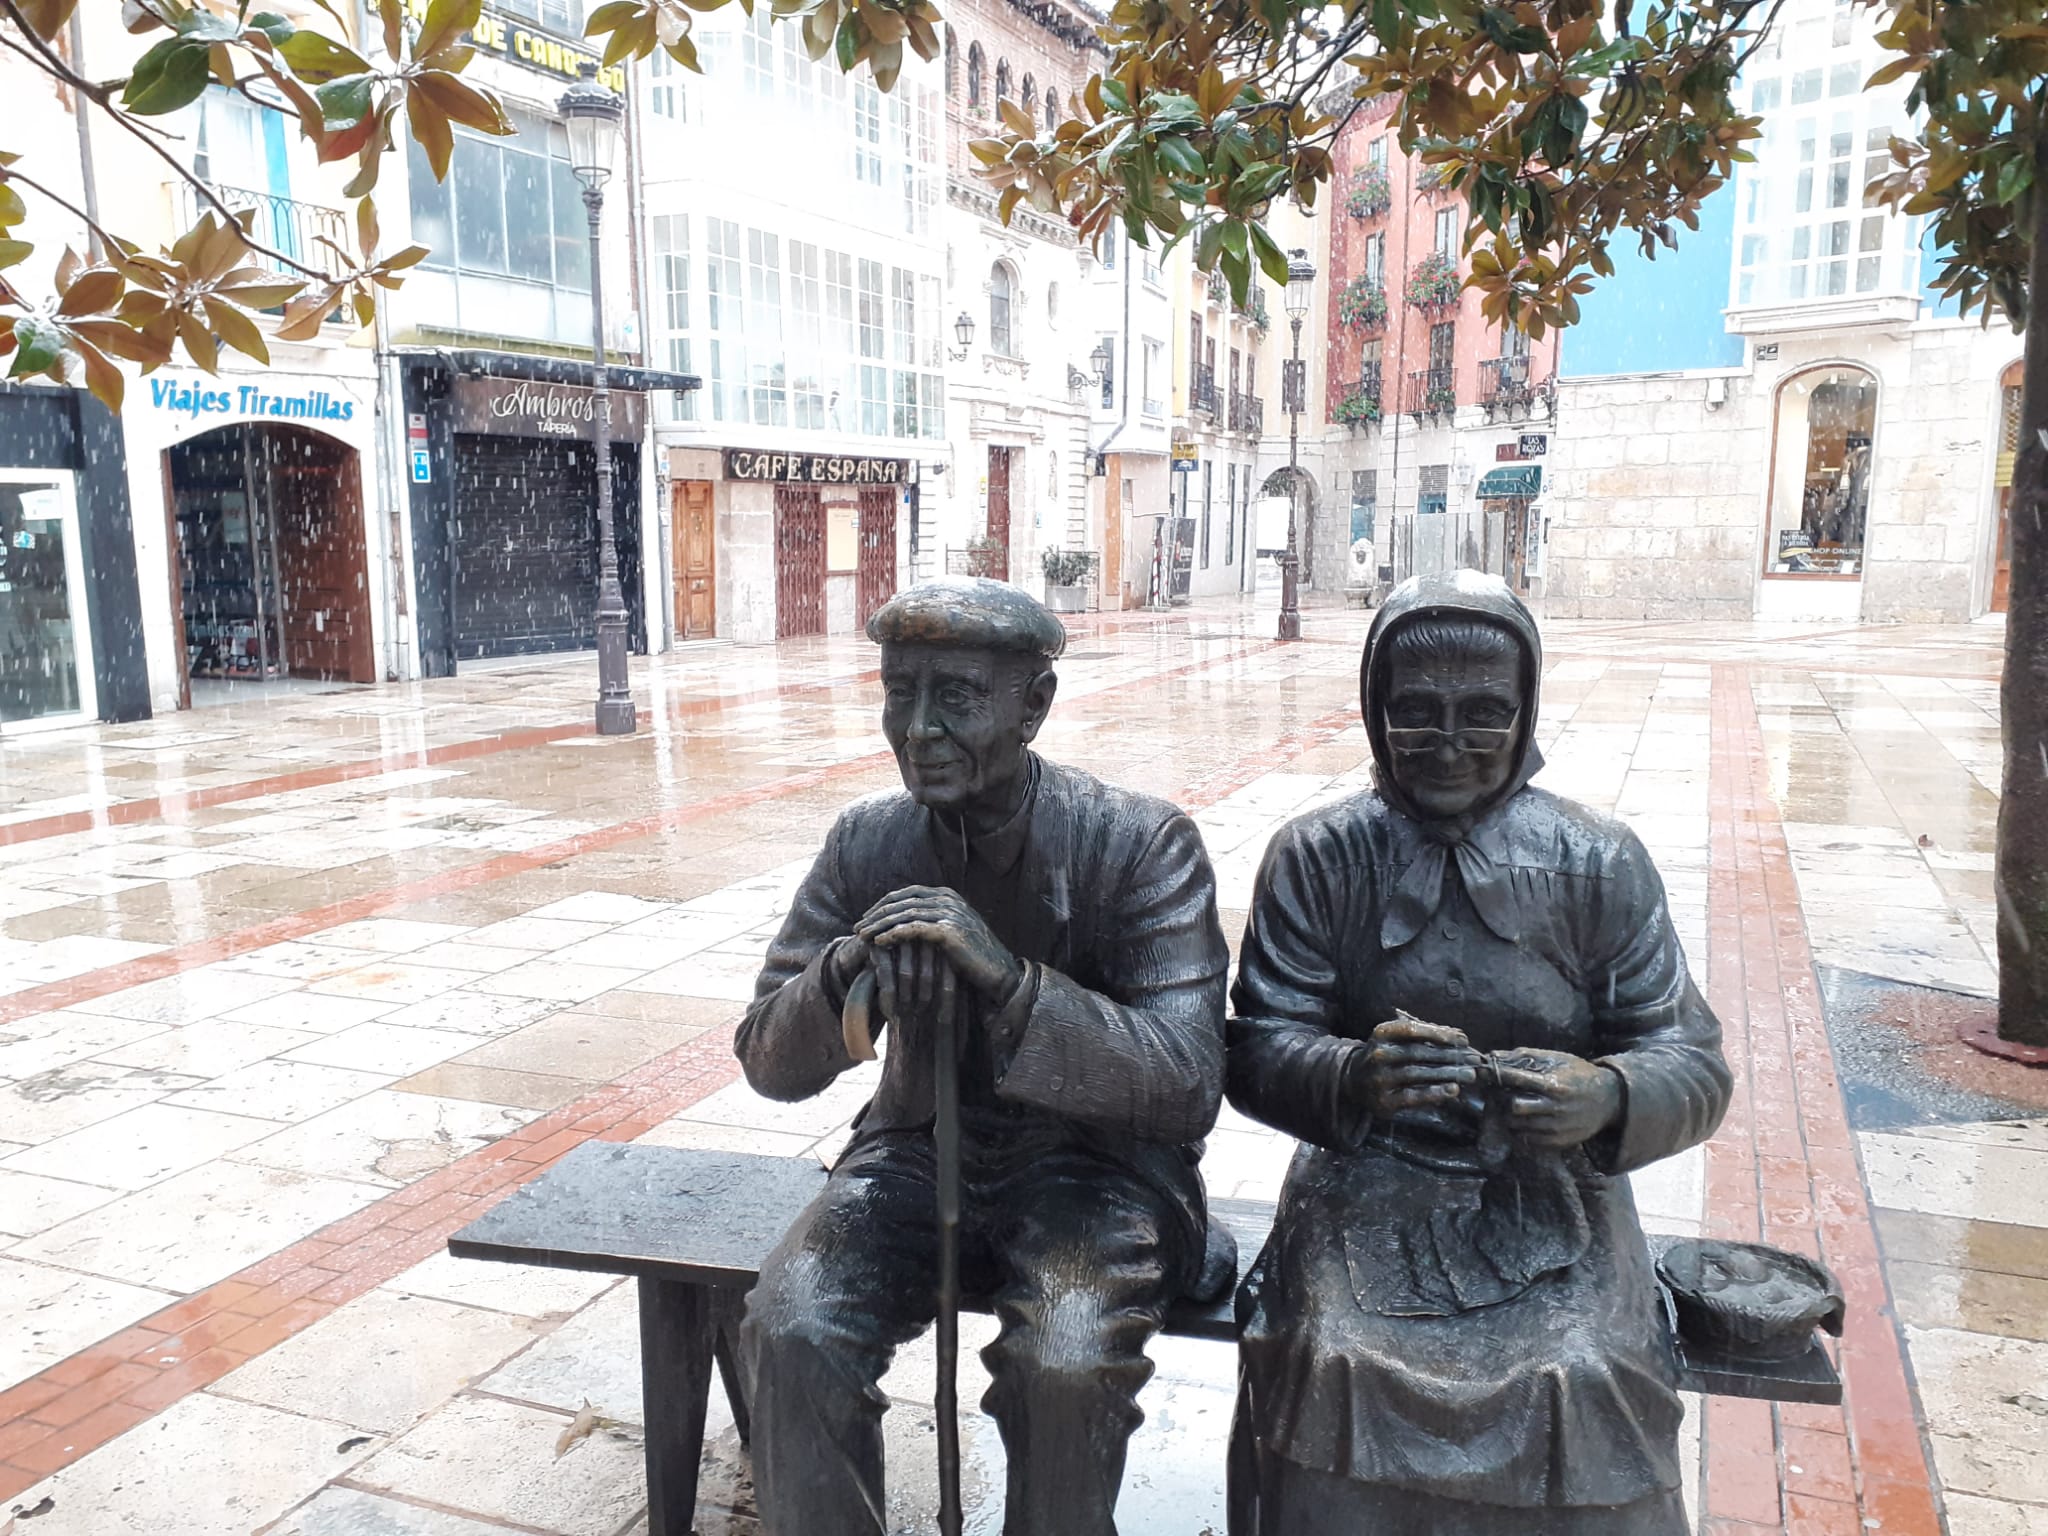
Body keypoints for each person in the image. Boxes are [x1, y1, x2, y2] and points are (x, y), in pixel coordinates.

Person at [1227, 570, 1731, 1535]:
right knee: (1330, 1348)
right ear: (1375, 711)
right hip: (1365, 1174)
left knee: (1584, 1369)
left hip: (1556, 1187)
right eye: (1414, 714)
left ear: (1525, 711)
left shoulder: (1597, 858)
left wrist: (1611, 1095)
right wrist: (1351, 1077)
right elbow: (1253, 1045)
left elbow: (1692, 1054)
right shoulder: (1317, 855)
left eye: (1483, 714)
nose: (1448, 744)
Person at [735, 577, 1231, 1536]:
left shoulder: (1140, 845)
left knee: (1067, 1361)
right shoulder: (868, 843)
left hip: (1104, 1173)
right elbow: (766, 1057)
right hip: (917, 1156)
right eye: (899, 692)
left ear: (1033, 706)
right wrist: (846, 974)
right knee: (792, 1326)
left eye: (956, 697)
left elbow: (1184, 1082)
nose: (918, 728)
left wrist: (1010, 986)